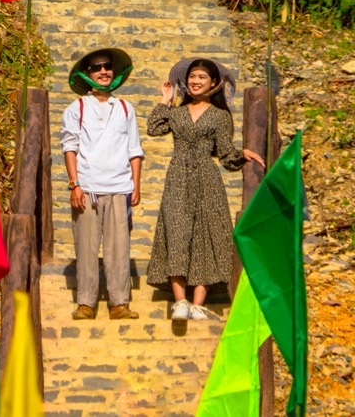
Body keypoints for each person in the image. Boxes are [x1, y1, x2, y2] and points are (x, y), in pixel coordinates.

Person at [146, 57, 264, 321]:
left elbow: (224, 154)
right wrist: (165, 99)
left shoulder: (221, 116)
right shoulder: (176, 112)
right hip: (177, 176)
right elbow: (153, 128)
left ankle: (199, 303)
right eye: (192, 77)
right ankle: (180, 302)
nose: (195, 81)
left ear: (213, 83)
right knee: (175, 232)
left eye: (201, 77)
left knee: (205, 235)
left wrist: (241, 153)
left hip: (207, 180)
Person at [60, 48, 144, 321]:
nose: (103, 72)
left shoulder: (125, 108)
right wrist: (75, 184)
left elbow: (134, 149)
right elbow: (69, 147)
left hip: (119, 186)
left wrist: (136, 184)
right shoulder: (77, 108)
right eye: (96, 68)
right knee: (85, 245)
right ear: (87, 74)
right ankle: (86, 302)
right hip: (89, 186)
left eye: (107, 66)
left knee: (119, 247)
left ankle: (119, 302)